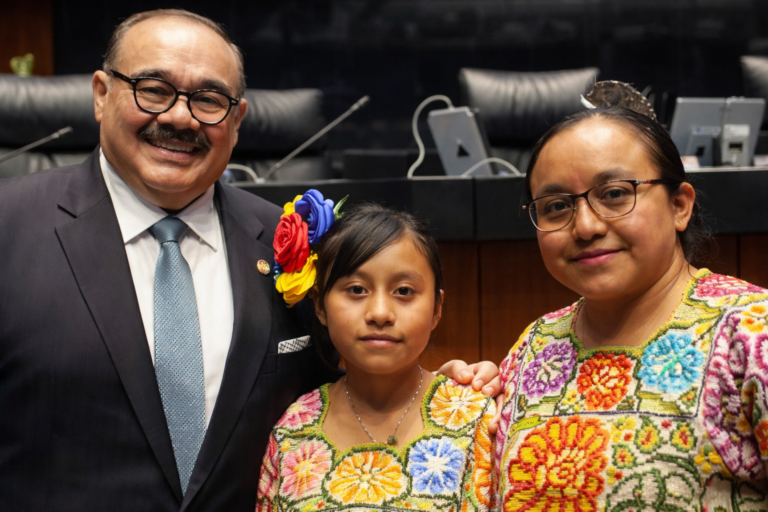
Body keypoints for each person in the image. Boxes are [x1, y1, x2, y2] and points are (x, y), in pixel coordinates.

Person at [0, 9, 499, 512]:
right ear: (102, 94)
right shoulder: (9, 227)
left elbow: (355, 377)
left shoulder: (290, 247)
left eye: (208, 100)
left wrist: (443, 383)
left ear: (236, 122)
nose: (180, 117)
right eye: (153, 89)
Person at [495, 103, 768, 511]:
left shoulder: (751, 332)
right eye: (556, 206)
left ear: (679, 205)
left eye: (615, 194)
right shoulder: (534, 346)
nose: (585, 226)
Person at [256, 203, 497, 512]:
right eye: (356, 289)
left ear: (437, 308)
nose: (380, 313)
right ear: (320, 306)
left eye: (404, 291)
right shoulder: (293, 430)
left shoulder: (476, 420)